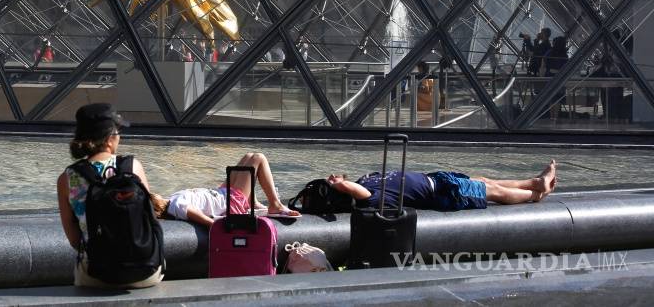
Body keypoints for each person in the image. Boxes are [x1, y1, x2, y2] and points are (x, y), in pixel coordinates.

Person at [56, 103, 163, 288]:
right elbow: (151, 217)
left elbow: (74, 239)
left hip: (95, 276)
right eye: (118, 131)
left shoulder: (66, 178)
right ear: (109, 138)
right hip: (145, 272)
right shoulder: (133, 167)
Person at [322, 160, 558, 212]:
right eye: (332, 181)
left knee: (485, 181)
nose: (333, 175)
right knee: (494, 192)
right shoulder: (367, 196)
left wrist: (340, 183)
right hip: (444, 192)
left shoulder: (365, 180)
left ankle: (535, 183)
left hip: (439, 180)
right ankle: (534, 195)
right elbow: (358, 193)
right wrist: (341, 185)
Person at [149, 152, 301, 226]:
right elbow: (197, 215)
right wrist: (215, 226)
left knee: (248, 156)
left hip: (221, 193)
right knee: (258, 158)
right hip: (230, 202)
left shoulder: (172, 200)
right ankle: (275, 204)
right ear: (156, 202)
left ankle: (252, 202)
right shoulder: (176, 206)